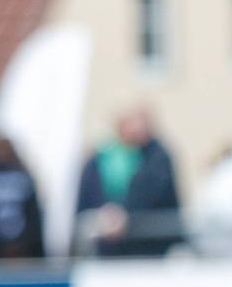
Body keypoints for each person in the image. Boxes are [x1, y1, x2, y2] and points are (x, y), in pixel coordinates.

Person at [73, 107, 183, 257]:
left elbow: (150, 194)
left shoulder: (156, 158)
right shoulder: (105, 156)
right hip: (112, 249)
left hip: (149, 246)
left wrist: (124, 215)